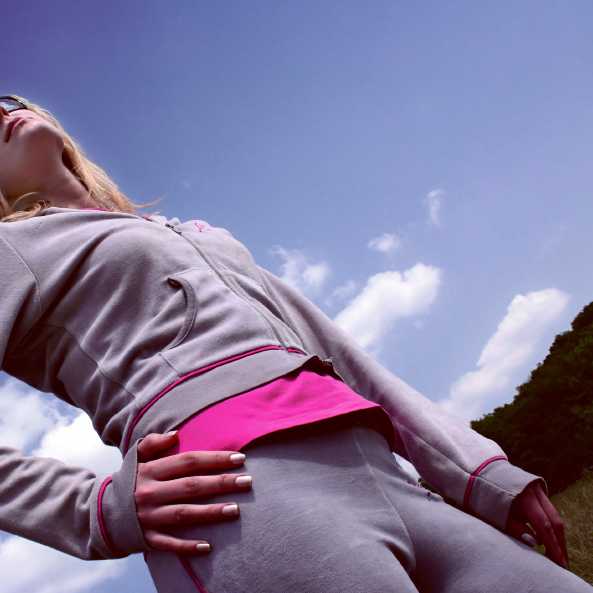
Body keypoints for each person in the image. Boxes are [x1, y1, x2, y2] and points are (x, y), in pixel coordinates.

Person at [0, 93, 589, 593]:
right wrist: (95, 509)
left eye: (8, 102)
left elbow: (338, 350)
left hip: (384, 469)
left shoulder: (193, 235)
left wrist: (479, 470)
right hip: (238, 498)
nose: (4, 114)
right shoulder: (14, 251)